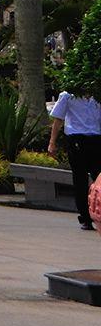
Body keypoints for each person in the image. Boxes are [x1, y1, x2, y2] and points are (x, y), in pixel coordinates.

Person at [49, 83, 101, 231]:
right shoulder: (67, 95)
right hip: (76, 139)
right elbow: (58, 119)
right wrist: (52, 142)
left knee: (98, 177)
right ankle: (85, 217)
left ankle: (97, 212)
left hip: (96, 139)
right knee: (80, 179)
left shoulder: (97, 96)